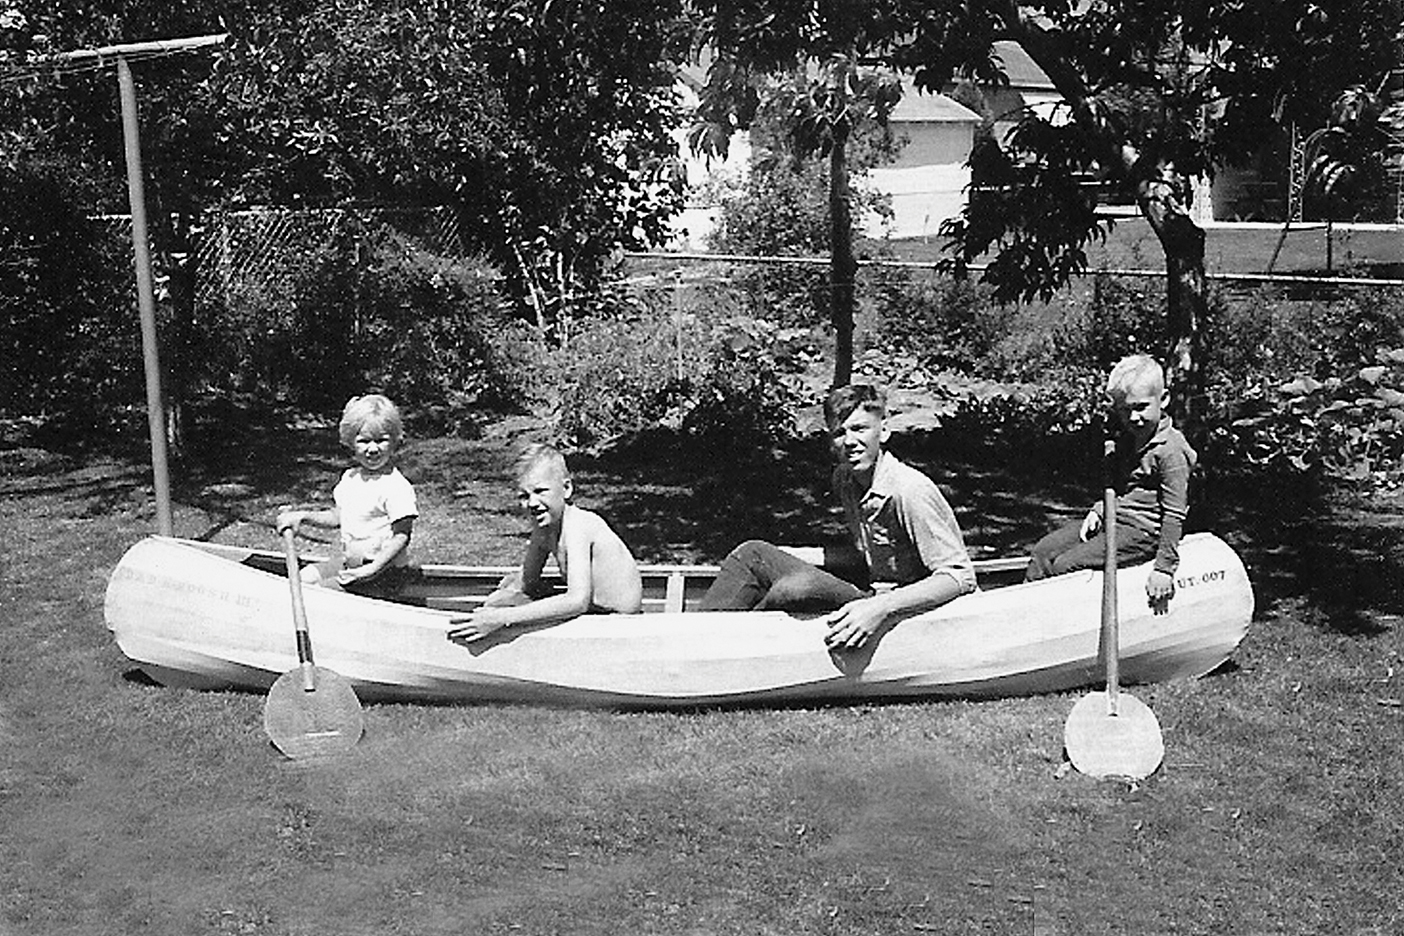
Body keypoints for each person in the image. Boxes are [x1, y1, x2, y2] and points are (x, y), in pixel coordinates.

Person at [698, 384, 977, 652]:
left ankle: (730, 643)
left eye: (859, 429)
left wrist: (878, 608)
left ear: (884, 431)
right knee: (753, 553)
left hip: (898, 608)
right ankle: (696, 640)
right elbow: (870, 556)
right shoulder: (845, 479)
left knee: (797, 587)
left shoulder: (909, 491)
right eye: (839, 433)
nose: (850, 442)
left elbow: (958, 576)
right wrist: (789, 556)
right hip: (869, 590)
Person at [1023, 354, 1197, 608]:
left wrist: (1164, 568)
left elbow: (1174, 514)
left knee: (1065, 565)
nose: (1134, 418)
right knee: (1043, 551)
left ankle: (1057, 617)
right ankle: (1024, 610)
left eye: (1141, 407)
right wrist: (1101, 508)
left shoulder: (1171, 450)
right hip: (1114, 519)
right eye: (1125, 410)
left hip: (1142, 531)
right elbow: (1121, 489)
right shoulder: (1128, 439)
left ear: (1164, 399)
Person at [447, 443, 642, 641]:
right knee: (505, 599)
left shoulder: (579, 525)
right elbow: (527, 582)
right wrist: (499, 599)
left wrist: (502, 617)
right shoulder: (543, 530)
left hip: (620, 625)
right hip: (594, 614)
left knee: (508, 613)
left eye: (540, 491)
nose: (532, 503)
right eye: (524, 496)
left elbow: (577, 600)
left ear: (566, 489)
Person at [276, 393, 419, 598]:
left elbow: (401, 536)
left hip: (385, 571)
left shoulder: (395, 486)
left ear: (395, 441)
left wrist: (371, 569)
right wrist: (303, 516)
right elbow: (337, 517)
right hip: (353, 564)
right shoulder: (351, 478)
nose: (372, 448)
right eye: (364, 441)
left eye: (381, 440)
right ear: (351, 442)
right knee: (301, 579)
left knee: (318, 593)